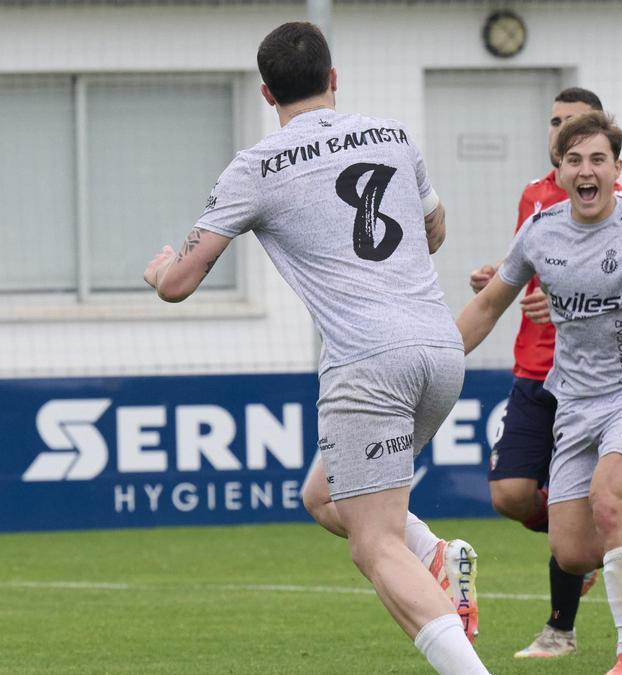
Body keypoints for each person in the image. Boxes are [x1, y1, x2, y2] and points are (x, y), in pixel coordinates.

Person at [142, 22, 488, 675]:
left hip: (368, 361)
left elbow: (179, 284)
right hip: (441, 350)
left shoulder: (256, 166)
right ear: (334, 79)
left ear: (268, 92)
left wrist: (159, 269)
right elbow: (435, 229)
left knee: (372, 543)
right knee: (324, 495)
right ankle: (437, 555)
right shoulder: (392, 135)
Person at [459, 111, 622, 675]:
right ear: (561, 170)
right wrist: (440, 356)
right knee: (571, 552)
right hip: (573, 400)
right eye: (575, 160)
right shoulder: (541, 230)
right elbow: (490, 304)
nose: (586, 170)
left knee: (609, 501)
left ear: (617, 169)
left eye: (598, 159)